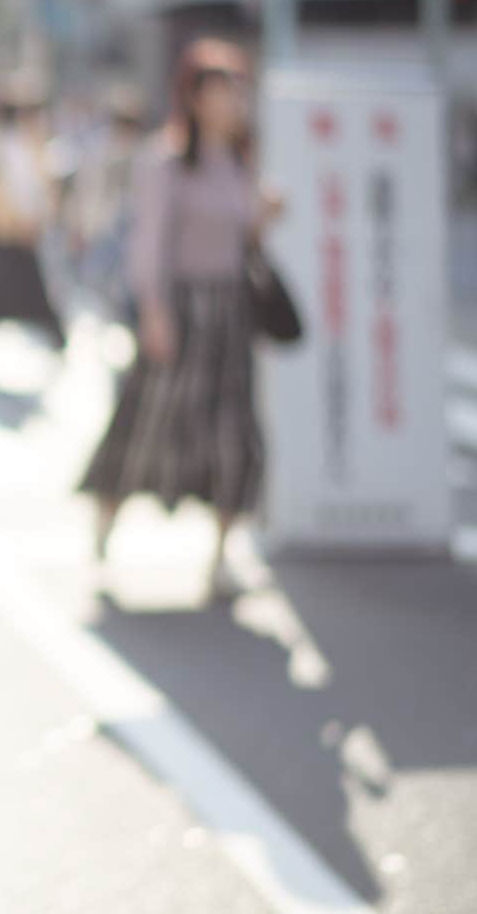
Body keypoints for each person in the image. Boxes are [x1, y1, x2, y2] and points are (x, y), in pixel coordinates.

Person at [78, 39, 277, 603]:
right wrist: (155, 312)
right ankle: (104, 524)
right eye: (218, 92)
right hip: (181, 311)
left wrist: (264, 218)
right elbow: (149, 244)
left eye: (235, 91)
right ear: (192, 98)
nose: (230, 102)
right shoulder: (164, 162)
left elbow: (244, 241)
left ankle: (220, 557)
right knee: (149, 425)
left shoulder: (238, 163)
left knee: (237, 439)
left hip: (229, 314)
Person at [0, 74, 65, 370]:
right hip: (6, 234)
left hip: (27, 233)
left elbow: (46, 189)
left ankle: (58, 339)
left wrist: (39, 220)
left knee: (36, 295)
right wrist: (13, 224)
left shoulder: (34, 147)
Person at [65, 86, 147, 318]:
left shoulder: (144, 156)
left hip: (129, 237)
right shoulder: (99, 153)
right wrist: (80, 229)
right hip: (102, 233)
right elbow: (86, 194)